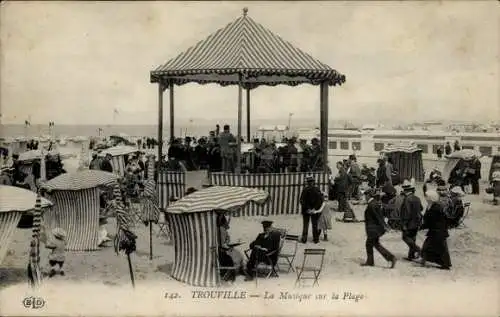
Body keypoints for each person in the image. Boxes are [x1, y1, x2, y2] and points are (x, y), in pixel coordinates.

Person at [361, 188, 397, 269]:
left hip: (373, 229)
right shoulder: (373, 203)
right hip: (375, 229)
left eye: (365, 195)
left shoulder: (372, 205)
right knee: (374, 245)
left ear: (368, 195)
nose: (364, 197)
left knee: (370, 244)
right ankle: (373, 261)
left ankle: (390, 258)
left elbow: (378, 217)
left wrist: (385, 226)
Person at [420, 190, 452, 270]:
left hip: (438, 231)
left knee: (431, 247)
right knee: (437, 247)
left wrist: (421, 227)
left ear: (431, 198)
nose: (426, 198)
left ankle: (445, 264)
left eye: (427, 197)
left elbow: (430, 220)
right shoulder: (432, 206)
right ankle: (444, 264)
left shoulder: (435, 208)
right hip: (436, 231)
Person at [400, 180, 423, 261]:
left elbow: (407, 213)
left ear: (406, 190)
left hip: (409, 223)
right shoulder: (417, 198)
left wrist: (404, 224)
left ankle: (419, 250)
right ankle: (411, 255)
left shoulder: (407, 199)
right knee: (413, 237)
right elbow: (421, 208)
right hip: (417, 222)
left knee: (405, 237)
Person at [217, 214, 245, 280]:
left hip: (224, 249)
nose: (227, 223)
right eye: (226, 222)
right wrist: (230, 246)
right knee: (238, 255)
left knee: (238, 254)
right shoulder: (221, 230)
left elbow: (224, 242)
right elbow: (222, 243)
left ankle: (237, 271)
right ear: (224, 222)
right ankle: (233, 273)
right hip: (223, 251)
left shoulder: (222, 229)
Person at [299, 175, 324, 243]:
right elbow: (320, 201)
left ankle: (304, 239)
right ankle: (316, 239)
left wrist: (308, 208)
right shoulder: (317, 189)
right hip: (314, 211)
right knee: (315, 225)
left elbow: (301, 200)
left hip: (306, 210)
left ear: (307, 182)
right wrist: (314, 209)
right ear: (314, 182)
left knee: (305, 225)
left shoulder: (305, 189)